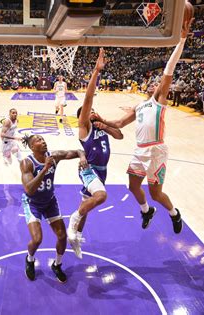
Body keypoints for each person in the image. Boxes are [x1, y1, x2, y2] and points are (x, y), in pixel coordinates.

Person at [92, 16, 195, 234]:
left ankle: (174, 214)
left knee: (156, 193)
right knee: (133, 186)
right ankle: (146, 210)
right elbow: (119, 123)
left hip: (156, 149)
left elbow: (168, 69)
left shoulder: (159, 102)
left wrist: (181, 40)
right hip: (140, 149)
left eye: (157, 84)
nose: (155, 84)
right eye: (152, 83)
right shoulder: (139, 106)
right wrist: (102, 121)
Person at [67, 48, 124, 259]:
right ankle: (72, 221)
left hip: (102, 172)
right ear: (82, 116)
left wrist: (106, 124)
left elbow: (120, 136)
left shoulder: (99, 126)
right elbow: (88, 98)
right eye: (88, 111)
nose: (92, 111)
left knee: (86, 207)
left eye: (92, 110)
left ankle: (75, 239)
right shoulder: (85, 128)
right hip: (89, 170)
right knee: (101, 196)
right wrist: (96, 72)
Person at [20, 134, 87, 282]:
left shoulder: (54, 156)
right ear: (32, 147)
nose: (43, 141)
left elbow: (76, 151)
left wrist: (82, 157)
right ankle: (30, 259)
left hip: (50, 201)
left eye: (43, 139)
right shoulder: (27, 163)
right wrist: (45, 169)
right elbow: (29, 189)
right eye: (38, 140)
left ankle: (57, 264)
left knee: (62, 236)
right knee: (37, 239)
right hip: (33, 203)